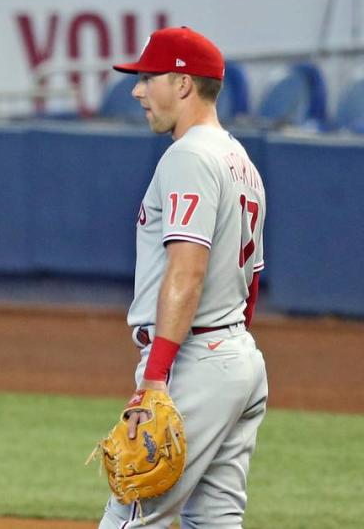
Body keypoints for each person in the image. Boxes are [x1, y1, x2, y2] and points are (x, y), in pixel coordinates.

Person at [100, 27, 268, 528]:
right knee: (215, 521)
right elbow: (251, 282)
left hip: (192, 361)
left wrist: (156, 376)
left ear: (182, 83)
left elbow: (187, 269)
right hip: (237, 356)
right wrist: (229, 355)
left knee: (131, 517)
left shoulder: (190, 155)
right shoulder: (242, 162)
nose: (137, 91)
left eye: (148, 77)